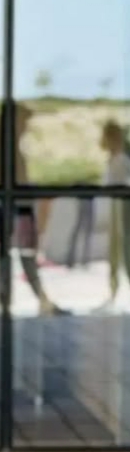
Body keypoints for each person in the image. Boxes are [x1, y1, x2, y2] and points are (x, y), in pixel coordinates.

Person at [0, 102, 69, 315]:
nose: (25, 126)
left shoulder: (9, 147)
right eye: (22, 121)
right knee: (16, 254)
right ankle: (15, 300)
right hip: (15, 206)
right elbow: (9, 180)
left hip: (16, 205)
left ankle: (27, 299)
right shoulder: (5, 148)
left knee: (18, 254)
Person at [94, 119, 130, 312]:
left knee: (122, 250)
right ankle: (113, 292)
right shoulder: (116, 159)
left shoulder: (121, 160)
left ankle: (114, 292)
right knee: (116, 253)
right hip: (115, 208)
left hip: (120, 208)